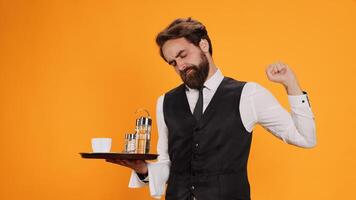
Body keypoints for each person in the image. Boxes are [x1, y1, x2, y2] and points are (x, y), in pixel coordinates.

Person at [106, 17, 316, 200]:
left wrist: (291, 84)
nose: (180, 66)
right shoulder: (165, 102)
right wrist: (143, 169)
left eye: (183, 55)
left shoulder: (248, 94)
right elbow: (167, 164)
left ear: (203, 45)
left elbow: (305, 138)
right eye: (172, 62)